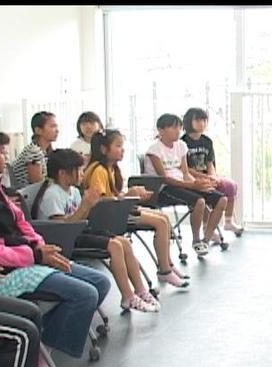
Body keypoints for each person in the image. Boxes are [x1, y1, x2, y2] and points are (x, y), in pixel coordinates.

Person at [0, 124, 111, 361]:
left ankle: (44, 340)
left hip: (25, 260)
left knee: (100, 282)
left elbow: (22, 222)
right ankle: (41, 350)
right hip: (1, 273)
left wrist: (40, 247)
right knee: (85, 294)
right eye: (1, 152)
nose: (6, 157)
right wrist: (35, 255)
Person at [31, 148, 161, 311]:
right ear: (63, 173)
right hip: (65, 240)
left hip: (79, 231)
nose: (82, 173)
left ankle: (141, 291)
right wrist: (86, 205)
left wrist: (90, 206)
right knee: (115, 246)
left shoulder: (73, 191)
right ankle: (128, 297)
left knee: (124, 243)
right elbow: (64, 228)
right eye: (77, 170)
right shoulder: (52, 195)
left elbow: (81, 218)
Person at [82, 129, 189, 286]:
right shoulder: (99, 170)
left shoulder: (111, 168)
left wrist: (130, 194)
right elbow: (101, 203)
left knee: (164, 218)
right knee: (159, 223)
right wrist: (128, 195)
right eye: (118, 146)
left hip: (117, 210)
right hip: (109, 217)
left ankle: (168, 264)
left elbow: (113, 197)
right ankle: (164, 271)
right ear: (104, 149)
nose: (122, 149)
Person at [145, 114, 228, 256]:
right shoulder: (154, 151)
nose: (178, 130)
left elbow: (184, 172)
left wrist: (198, 182)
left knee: (222, 199)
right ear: (161, 130)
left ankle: (205, 240)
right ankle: (196, 240)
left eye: (179, 127)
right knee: (199, 201)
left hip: (183, 184)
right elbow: (163, 179)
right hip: (164, 189)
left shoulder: (181, 146)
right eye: (173, 127)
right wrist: (192, 186)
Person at [181, 108, 244, 237]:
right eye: (198, 120)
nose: (202, 123)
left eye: (204, 120)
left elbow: (210, 163)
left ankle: (228, 221)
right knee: (205, 191)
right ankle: (206, 227)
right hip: (192, 178)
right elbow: (185, 169)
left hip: (207, 175)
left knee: (230, 185)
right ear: (189, 122)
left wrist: (213, 177)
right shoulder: (182, 143)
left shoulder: (207, 141)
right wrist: (206, 178)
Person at [11, 111, 58, 188]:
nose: (57, 130)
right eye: (52, 126)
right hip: (29, 196)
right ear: (38, 130)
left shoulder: (44, 151)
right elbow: (37, 185)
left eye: (56, 126)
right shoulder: (34, 151)